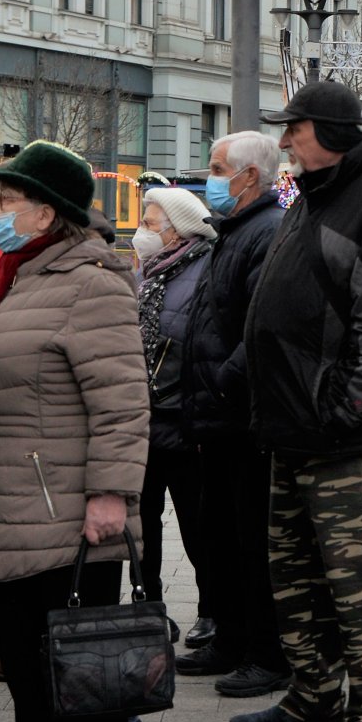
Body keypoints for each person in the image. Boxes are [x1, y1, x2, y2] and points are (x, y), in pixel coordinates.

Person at [0, 141, 148, 722]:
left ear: (49, 211)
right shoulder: (14, 274)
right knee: (22, 651)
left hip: (66, 507)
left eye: (7, 201)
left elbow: (124, 402)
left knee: (83, 658)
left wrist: (110, 495)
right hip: (5, 502)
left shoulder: (90, 281)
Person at [236, 81, 362, 722]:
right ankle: (314, 695)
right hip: (292, 425)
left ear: (332, 131)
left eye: (296, 128)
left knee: (359, 581)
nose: (285, 140)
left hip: (338, 433)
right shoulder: (314, 194)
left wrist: (345, 407)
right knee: (295, 574)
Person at [169, 133, 290, 698]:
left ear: (248, 177)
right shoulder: (234, 232)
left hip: (242, 417)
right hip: (216, 418)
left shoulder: (266, 232)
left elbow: (261, 327)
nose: (210, 176)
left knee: (251, 540)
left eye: (218, 168)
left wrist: (223, 384)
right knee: (220, 534)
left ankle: (265, 652)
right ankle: (231, 640)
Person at [134, 187, 217, 631]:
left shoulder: (206, 267)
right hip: (143, 421)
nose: (141, 232)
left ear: (177, 229)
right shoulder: (147, 271)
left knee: (199, 525)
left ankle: (212, 610)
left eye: (150, 223)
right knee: (142, 526)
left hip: (184, 420)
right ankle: (149, 612)